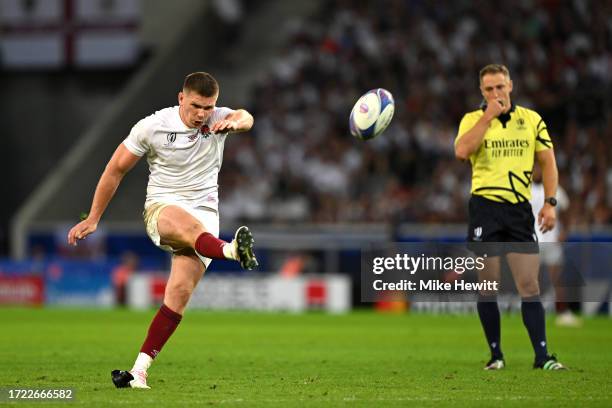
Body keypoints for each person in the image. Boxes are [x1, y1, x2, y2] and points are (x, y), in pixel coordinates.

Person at [67, 72, 259, 389]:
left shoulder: (219, 118)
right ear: (181, 97)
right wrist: (93, 218)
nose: (202, 114)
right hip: (163, 206)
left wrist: (236, 122)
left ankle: (138, 372)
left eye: (208, 107)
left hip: (205, 216)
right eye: (196, 105)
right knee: (183, 223)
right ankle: (231, 250)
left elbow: (245, 116)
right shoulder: (152, 126)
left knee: (179, 294)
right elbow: (115, 169)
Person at [454, 64, 565, 370]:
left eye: (500, 87)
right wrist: (488, 117)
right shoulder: (472, 119)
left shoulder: (531, 120)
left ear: (511, 85)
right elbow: (462, 151)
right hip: (485, 208)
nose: (495, 93)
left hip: (518, 210)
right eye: (489, 89)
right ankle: (496, 355)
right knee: (487, 285)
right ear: (481, 92)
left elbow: (549, 164)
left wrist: (550, 204)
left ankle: (542, 357)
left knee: (529, 285)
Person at [530, 166, 581, 327]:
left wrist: (565, 231)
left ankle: (562, 313)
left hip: (552, 240)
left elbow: (567, 211)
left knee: (557, 279)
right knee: (533, 281)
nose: (536, 172)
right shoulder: (525, 189)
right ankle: (533, 313)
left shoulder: (554, 189)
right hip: (533, 241)